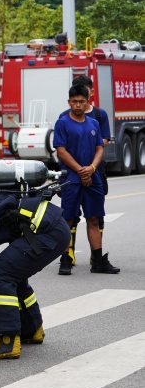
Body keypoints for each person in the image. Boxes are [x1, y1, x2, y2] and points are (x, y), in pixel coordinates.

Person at [0, 190, 70, 358]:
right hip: (53, 227)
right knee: (14, 275)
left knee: (0, 273)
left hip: (47, 232)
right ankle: (32, 329)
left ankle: (6, 342)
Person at [53, 85, 120, 275]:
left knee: (94, 218)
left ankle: (98, 261)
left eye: (82, 101)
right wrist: (80, 171)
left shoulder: (94, 124)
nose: (78, 105)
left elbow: (100, 148)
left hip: (93, 177)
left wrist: (90, 169)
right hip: (71, 179)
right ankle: (65, 259)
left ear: (87, 102)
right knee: (67, 219)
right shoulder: (62, 123)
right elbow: (61, 150)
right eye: (74, 101)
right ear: (69, 102)